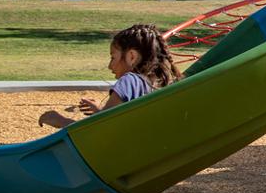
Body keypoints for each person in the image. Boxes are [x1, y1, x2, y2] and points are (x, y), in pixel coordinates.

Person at [39, 24, 180, 129]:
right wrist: (100, 113)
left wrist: (61, 121)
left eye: (113, 58)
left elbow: (99, 130)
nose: (110, 66)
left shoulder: (130, 81)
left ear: (131, 56)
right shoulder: (156, 84)